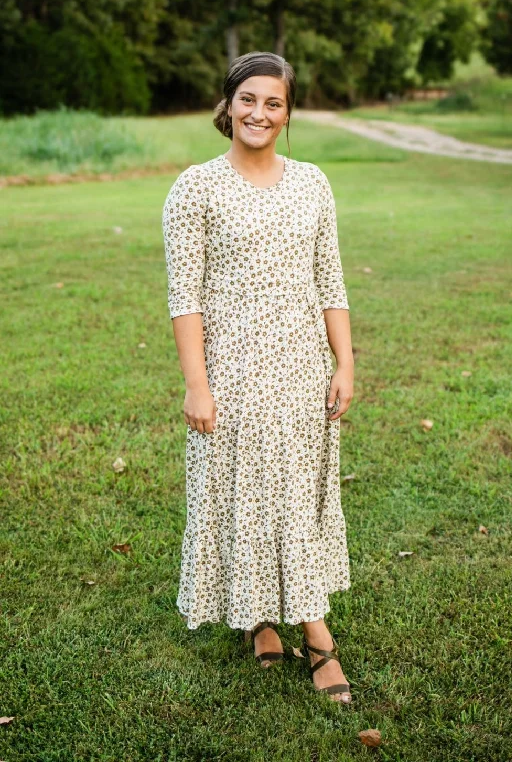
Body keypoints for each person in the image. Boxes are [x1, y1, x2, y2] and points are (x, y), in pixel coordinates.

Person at [162, 51, 355, 704]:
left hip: (301, 371)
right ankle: (280, 626)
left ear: (288, 113)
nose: (259, 113)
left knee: (295, 500)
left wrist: (345, 362)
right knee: (246, 497)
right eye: (249, 100)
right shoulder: (196, 188)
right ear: (228, 105)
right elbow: (183, 296)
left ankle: (296, 622)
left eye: (273, 103)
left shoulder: (313, 183)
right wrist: (197, 384)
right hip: (233, 376)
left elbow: (330, 279)